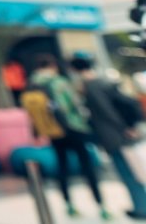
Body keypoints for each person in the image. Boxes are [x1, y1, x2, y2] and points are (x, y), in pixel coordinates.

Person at [22, 54, 110, 219]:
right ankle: (101, 206)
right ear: (53, 66)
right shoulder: (59, 82)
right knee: (86, 165)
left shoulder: (31, 84)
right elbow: (74, 104)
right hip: (73, 128)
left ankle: (69, 205)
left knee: (62, 166)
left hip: (53, 131)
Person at [70, 56, 146, 220]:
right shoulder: (102, 81)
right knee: (132, 169)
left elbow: (106, 111)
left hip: (114, 135)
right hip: (120, 133)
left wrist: (124, 128)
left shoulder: (91, 86)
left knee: (127, 171)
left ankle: (141, 207)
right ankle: (140, 205)